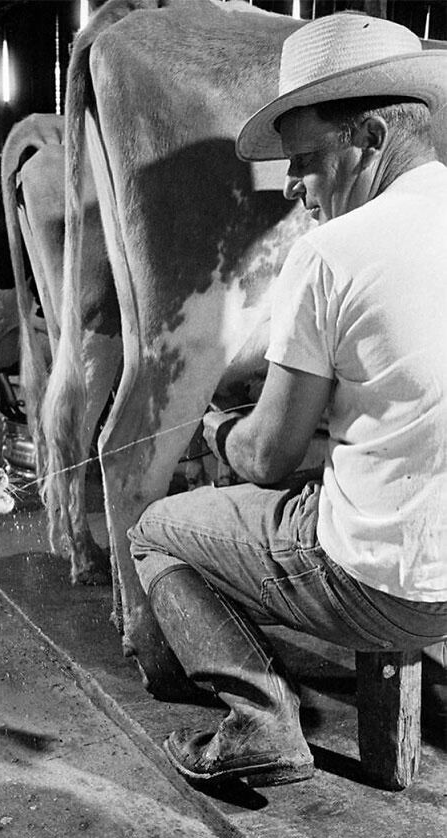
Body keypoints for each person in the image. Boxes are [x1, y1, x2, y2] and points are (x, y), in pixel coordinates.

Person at [127, 11, 447, 788]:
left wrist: (218, 428)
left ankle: (262, 718)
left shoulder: (331, 251)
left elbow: (269, 459)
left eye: (304, 159)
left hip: (393, 585)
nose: (292, 186)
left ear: (369, 137)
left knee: (157, 530)